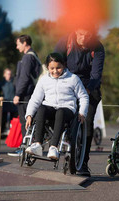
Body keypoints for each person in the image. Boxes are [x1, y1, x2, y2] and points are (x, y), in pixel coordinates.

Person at [54, 27, 105, 176]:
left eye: (87, 35)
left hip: (89, 87)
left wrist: (85, 92)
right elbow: (54, 63)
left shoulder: (97, 47)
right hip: (67, 84)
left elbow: (96, 74)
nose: (84, 38)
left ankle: (83, 163)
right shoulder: (66, 41)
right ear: (75, 31)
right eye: (81, 34)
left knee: (87, 121)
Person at [25, 52, 89, 159]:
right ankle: (37, 144)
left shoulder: (73, 79)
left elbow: (83, 97)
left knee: (60, 112)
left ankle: (53, 147)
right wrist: (29, 114)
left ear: (64, 65)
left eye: (58, 68)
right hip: (50, 107)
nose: (55, 71)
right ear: (47, 67)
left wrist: (82, 112)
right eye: (52, 68)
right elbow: (35, 98)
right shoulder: (44, 80)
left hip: (67, 109)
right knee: (41, 108)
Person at [9, 35, 41, 156]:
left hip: (25, 94)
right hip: (28, 93)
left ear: (25, 43)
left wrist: (18, 94)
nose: (17, 47)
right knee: (28, 120)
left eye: (18, 44)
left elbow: (24, 77)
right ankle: (27, 146)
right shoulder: (32, 55)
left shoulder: (28, 57)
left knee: (25, 121)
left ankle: (25, 148)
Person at [0, 68, 18, 133]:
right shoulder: (2, 83)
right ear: (4, 75)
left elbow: (17, 91)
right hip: (5, 103)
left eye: (10, 74)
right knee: (3, 118)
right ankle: (1, 131)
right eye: (8, 74)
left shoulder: (14, 82)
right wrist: (0, 98)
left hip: (13, 104)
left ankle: (12, 132)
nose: (9, 75)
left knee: (13, 119)